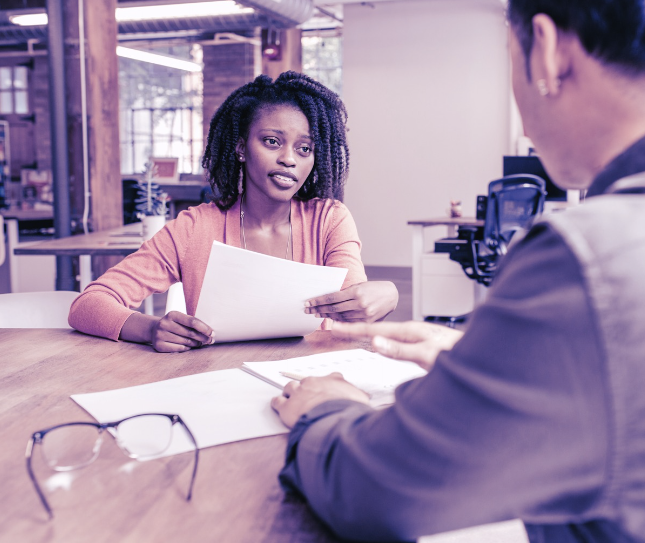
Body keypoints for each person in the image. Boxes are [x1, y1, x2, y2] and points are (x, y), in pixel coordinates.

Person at [269, 0, 645, 541]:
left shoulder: (591, 260)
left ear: (546, 51)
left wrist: (330, 411)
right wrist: (505, 367)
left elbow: (375, 491)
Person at [69, 72, 398, 353]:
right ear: (241, 148)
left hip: (309, 379)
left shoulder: (329, 220)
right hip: (215, 381)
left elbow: (353, 310)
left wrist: (388, 295)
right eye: (271, 141)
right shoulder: (195, 228)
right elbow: (88, 305)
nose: (289, 159)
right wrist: (151, 329)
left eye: (304, 148)